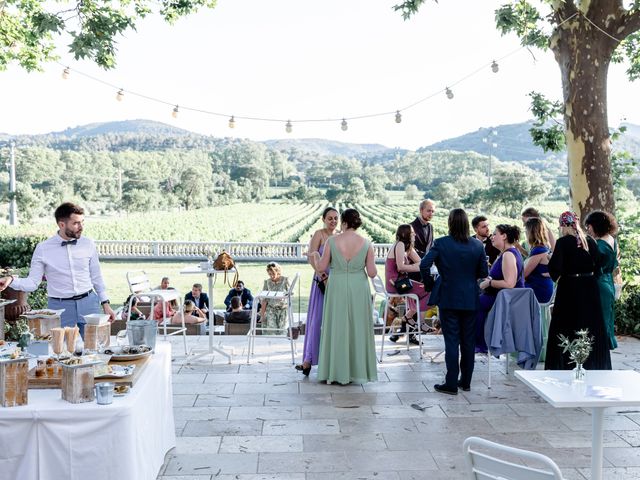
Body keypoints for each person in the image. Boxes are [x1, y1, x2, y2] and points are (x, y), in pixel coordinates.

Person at [0, 202, 116, 337]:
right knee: (62, 352)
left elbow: (96, 277)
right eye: (76, 223)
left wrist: (106, 303)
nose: (81, 227)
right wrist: (11, 280)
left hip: (89, 303)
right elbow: (32, 283)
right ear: (62, 224)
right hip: (60, 308)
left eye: (82, 222)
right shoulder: (43, 248)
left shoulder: (88, 244)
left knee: (95, 348)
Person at [420, 208, 488, 395]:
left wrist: (429, 284)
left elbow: (424, 264)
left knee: (451, 341)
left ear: (450, 223)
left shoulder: (441, 243)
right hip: (470, 298)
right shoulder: (477, 246)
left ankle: (450, 383)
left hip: (448, 297)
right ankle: (465, 381)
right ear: (467, 224)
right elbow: (483, 273)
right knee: (468, 342)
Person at [315, 208, 378, 385]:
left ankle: (335, 371)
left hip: (337, 286)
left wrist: (314, 256)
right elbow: (372, 273)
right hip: (359, 287)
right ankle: (357, 372)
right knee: (358, 327)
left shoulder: (331, 241)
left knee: (337, 327)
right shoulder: (366, 243)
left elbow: (321, 267)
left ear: (343, 222)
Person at [545, 211, 611, 370]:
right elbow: (599, 263)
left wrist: (550, 260)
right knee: (590, 325)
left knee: (567, 324)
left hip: (570, 288)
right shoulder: (590, 241)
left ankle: (566, 362)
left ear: (562, 225)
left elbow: (555, 269)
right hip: (589, 287)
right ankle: (591, 362)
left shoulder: (562, 242)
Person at [296, 206, 339, 376]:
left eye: (336, 218)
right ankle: (308, 360)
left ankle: (329, 360)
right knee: (317, 320)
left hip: (335, 283)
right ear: (323, 219)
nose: (333, 221)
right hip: (321, 281)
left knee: (332, 322)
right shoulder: (319, 234)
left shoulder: (338, 237)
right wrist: (323, 276)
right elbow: (311, 257)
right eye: (330, 218)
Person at [476, 224, 525, 352]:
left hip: (508, 299)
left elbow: (510, 283)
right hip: (500, 296)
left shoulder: (508, 255)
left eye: (495, 234)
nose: (491, 237)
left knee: (475, 303)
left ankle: (480, 344)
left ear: (504, 236)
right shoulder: (506, 253)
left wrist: (489, 283)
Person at [385, 224, 432, 344]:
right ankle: (420, 323)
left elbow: (421, 263)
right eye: (412, 233)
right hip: (397, 284)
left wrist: (419, 265)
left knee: (423, 290)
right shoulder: (400, 244)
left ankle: (407, 317)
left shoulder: (406, 247)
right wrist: (416, 267)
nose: (415, 235)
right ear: (405, 234)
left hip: (401, 282)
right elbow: (401, 267)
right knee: (428, 290)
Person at [585, 210, 619, 350]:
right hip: (608, 282)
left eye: (589, 226)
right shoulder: (612, 240)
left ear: (595, 226)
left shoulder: (599, 244)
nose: (587, 230)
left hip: (599, 283)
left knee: (598, 321)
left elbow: (590, 265)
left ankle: (599, 354)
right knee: (606, 320)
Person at [523, 217, 554, 304]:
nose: (525, 233)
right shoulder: (544, 247)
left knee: (507, 290)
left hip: (539, 291)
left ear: (531, 232)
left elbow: (523, 274)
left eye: (526, 230)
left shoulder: (539, 250)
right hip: (541, 288)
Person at [260, 263, 290, 335]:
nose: (271, 276)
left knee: (283, 332)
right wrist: (262, 315)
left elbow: (290, 295)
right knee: (271, 332)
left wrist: (284, 297)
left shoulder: (285, 280)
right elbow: (264, 299)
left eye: (273, 273)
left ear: (278, 271)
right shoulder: (267, 282)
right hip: (271, 310)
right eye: (269, 274)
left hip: (283, 310)